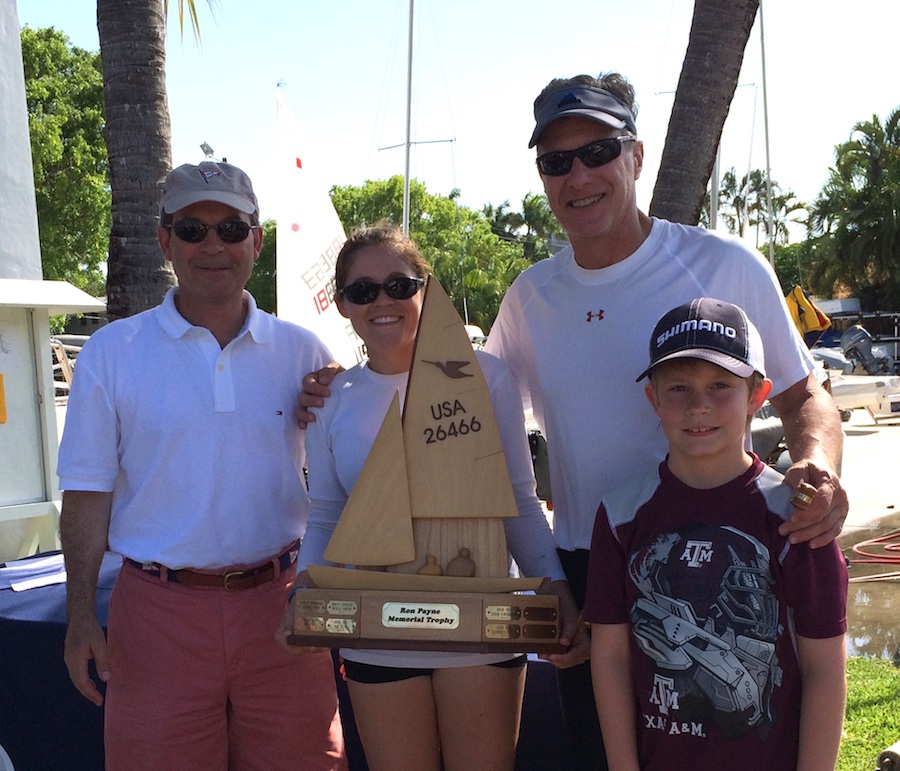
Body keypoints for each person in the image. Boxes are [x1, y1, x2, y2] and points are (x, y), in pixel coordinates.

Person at [298, 72, 848, 769]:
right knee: (604, 750)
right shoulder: (531, 295)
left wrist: (819, 470)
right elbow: (455, 411)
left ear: (637, 155)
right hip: (597, 568)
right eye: (556, 162)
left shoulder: (727, 263)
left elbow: (805, 397)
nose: (577, 175)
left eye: (597, 151)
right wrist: (339, 389)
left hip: (735, 554)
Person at [57, 161, 346, 770]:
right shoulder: (112, 353)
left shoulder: (306, 353)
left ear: (256, 240)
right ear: (165, 240)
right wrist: (80, 614)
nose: (213, 245)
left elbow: (352, 480)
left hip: (284, 608)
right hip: (157, 617)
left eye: (231, 228)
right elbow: (86, 494)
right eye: (192, 228)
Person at [280, 224, 577, 771]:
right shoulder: (332, 398)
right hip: (374, 631)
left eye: (399, 284)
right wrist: (306, 590)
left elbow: (518, 497)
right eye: (362, 291)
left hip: (483, 623)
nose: (382, 301)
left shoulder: (486, 377)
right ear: (343, 304)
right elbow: (324, 516)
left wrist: (554, 585)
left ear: (426, 288)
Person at [584, 297, 848, 770]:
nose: (699, 406)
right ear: (654, 398)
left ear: (757, 395)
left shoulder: (799, 515)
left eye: (721, 386)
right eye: (680, 388)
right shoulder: (621, 514)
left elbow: (825, 668)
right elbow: (610, 659)